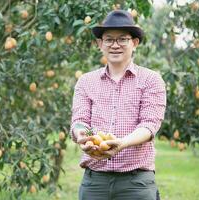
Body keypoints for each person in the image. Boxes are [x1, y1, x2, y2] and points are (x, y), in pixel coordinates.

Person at [70, 10, 166, 200]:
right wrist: (86, 136)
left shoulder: (151, 80)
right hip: (94, 183)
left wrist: (123, 143)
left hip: (136, 184)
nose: (115, 45)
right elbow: (80, 122)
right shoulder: (86, 81)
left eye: (122, 39)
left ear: (134, 43)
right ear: (100, 44)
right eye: (109, 39)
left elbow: (149, 125)